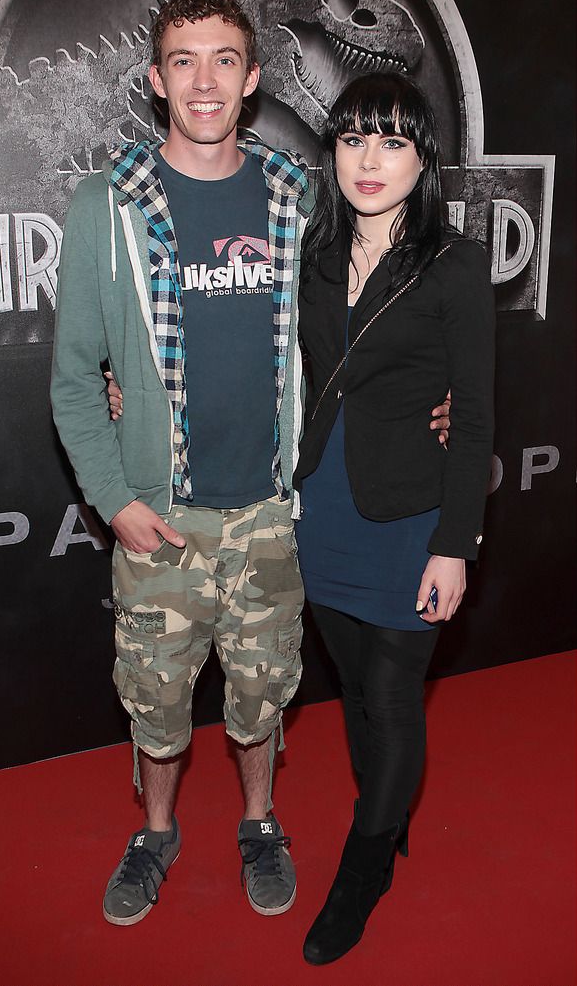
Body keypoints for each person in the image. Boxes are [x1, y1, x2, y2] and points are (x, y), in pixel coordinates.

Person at [54, 0, 451, 929]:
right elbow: (75, 377)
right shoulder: (104, 206)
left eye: (224, 60)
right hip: (160, 516)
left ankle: (259, 822)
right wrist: (116, 498)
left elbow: (362, 314)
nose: (203, 81)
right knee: (155, 707)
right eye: (183, 61)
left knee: (262, 696)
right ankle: (155, 833)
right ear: (156, 80)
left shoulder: (294, 193)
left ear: (253, 76)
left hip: (274, 513)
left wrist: (429, 400)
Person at [291, 72, 496, 964]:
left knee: (390, 690)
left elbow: (478, 412)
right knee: (351, 684)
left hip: (412, 511)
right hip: (322, 504)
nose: (370, 160)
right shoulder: (312, 255)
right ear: (332, 150)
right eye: (353, 139)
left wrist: (455, 545)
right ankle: (383, 801)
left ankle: (364, 861)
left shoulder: (453, 265)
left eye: (393, 141)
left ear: (424, 160)